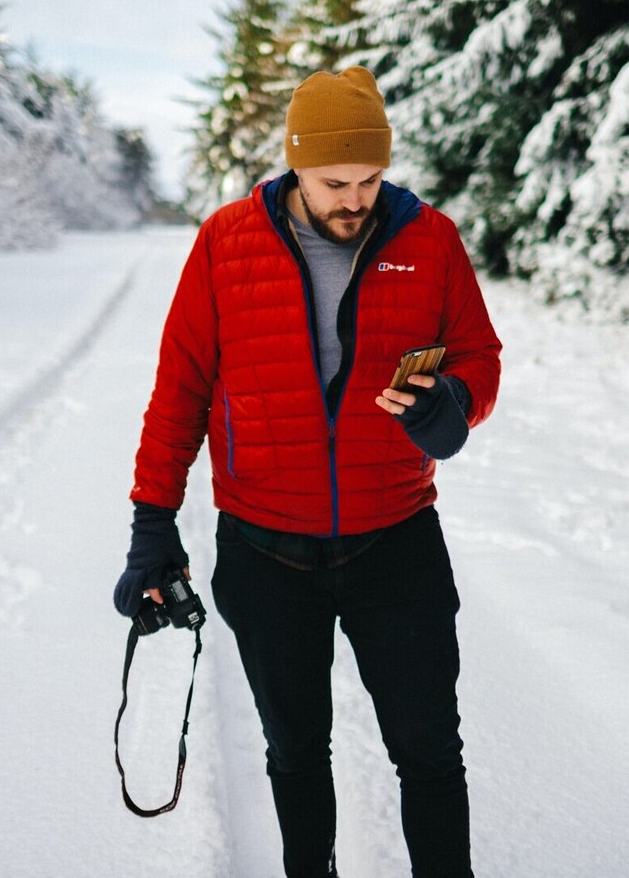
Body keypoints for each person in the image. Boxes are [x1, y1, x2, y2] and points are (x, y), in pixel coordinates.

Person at [114, 65, 501, 877]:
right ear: (294, 165)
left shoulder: (429, 240)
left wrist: (452, 405)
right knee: (294, 750)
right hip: (264, 553)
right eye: (334, 182)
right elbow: (179, 389)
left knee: (429, 747)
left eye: (369, 178)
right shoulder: (225, 242)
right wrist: (153, 524)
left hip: (395, 542)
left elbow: (479, 358)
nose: (354, 199)